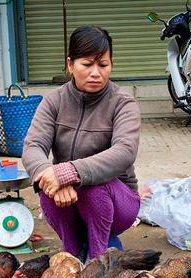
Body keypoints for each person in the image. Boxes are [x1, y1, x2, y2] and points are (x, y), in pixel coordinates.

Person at [22, 25, 141, 262]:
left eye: (103, 65)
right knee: (46, 181)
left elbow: (125, 151)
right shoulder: (54, 101)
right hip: (70, 201)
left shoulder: (123, 103)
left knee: (91, 186)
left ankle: (97, 262)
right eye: (87, 64)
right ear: (70, 64)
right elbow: (33, 146)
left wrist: (70, 172)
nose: (96, 72)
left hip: (118, 204)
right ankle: (73, 253)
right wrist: (52, 174)